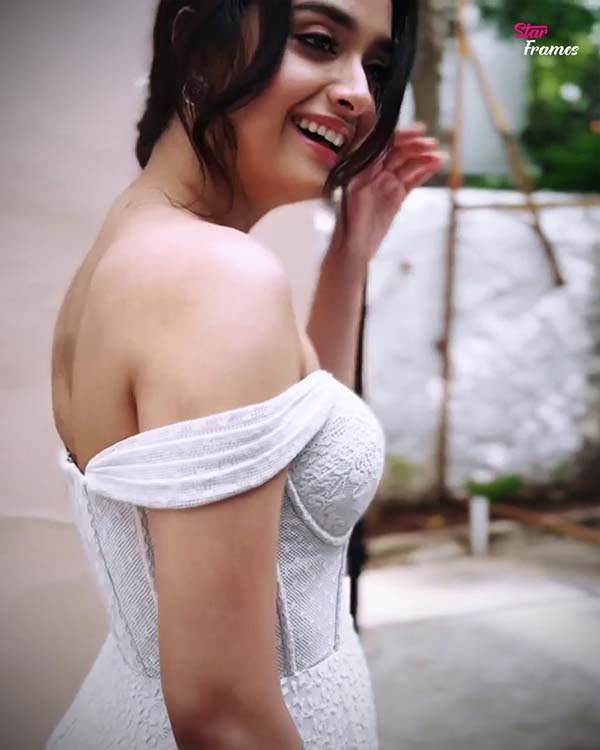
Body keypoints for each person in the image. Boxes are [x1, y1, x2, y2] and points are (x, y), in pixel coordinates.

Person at [47, 1, 443, 748]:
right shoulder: (213, 275)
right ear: (197, 39)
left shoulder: (139, 246)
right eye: (318, 41)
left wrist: (350, 253)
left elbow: (290, 453)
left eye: (377, 67)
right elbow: (223, 715)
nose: (359, 94)